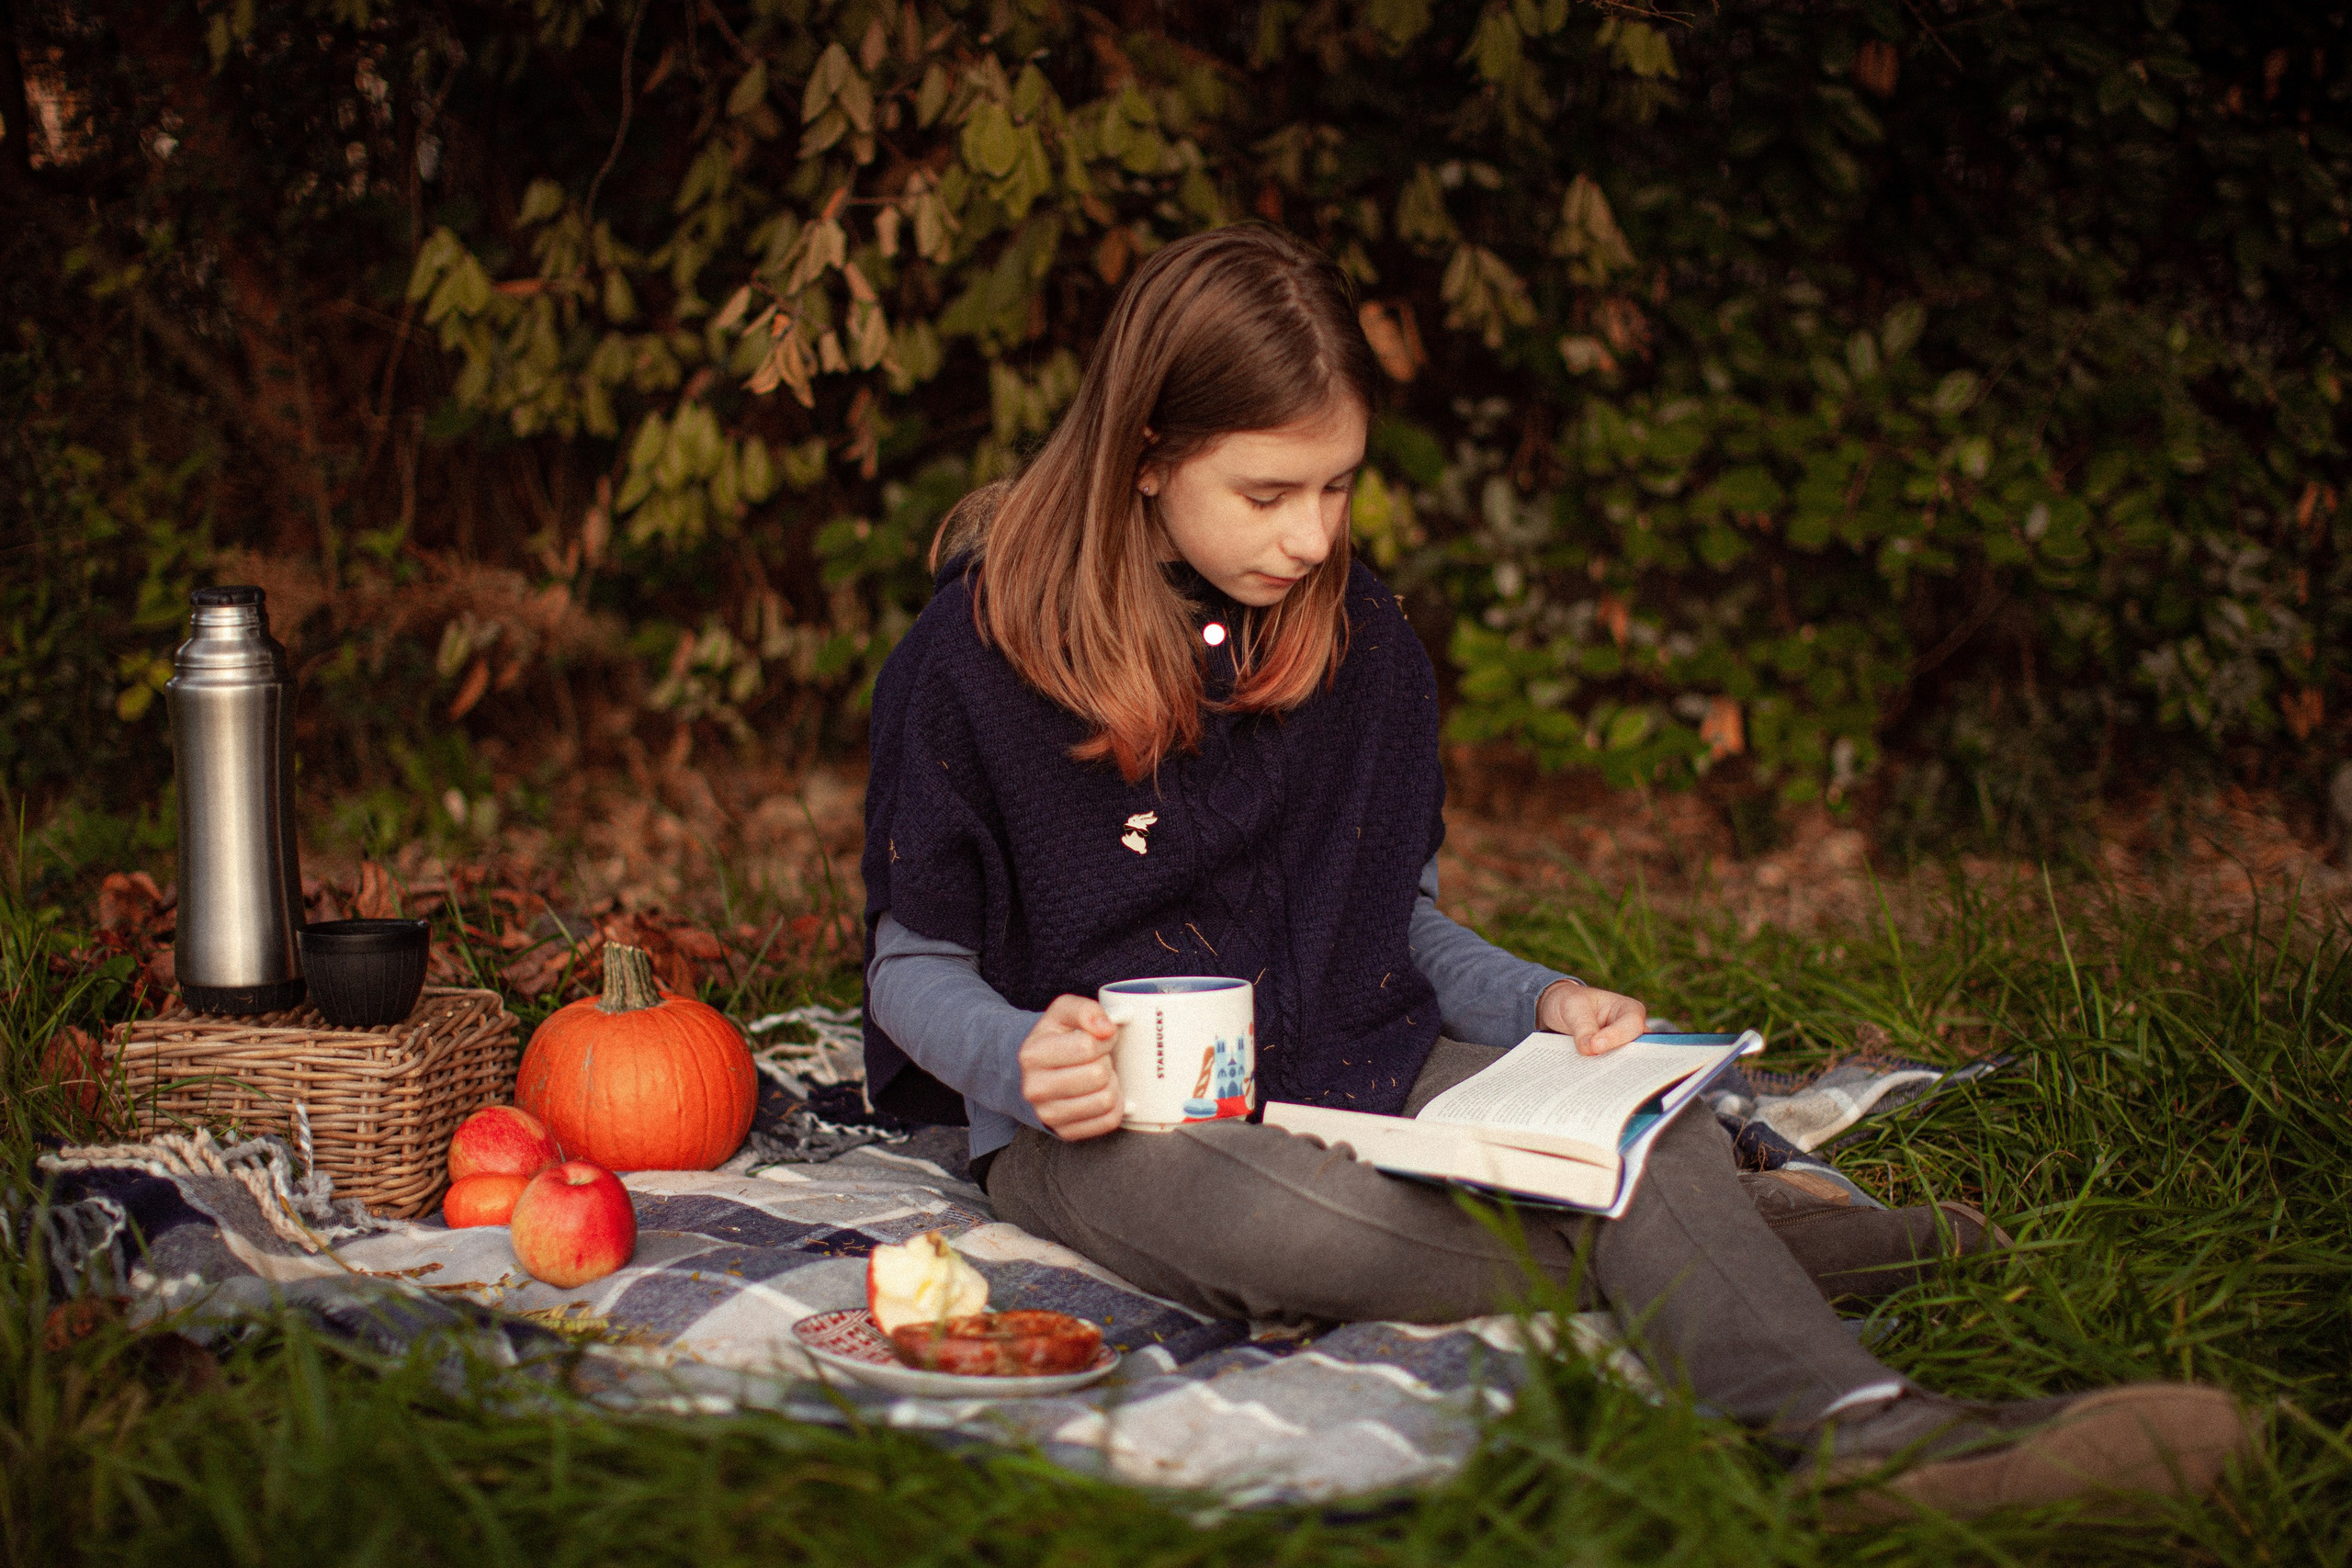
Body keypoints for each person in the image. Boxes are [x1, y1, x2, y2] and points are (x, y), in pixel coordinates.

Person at [858, 224, 2245, 1520]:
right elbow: (913, 965)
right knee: (1310, 1226)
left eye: (1339, 486)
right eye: (1269, 493)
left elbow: (1393, 922)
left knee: (1632, 1121)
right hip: (1112, 1131)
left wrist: (1539, 1005)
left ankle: (1869, 1437)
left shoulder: (1355, 638)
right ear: (1148, 456)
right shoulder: (978, 662)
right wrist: (1017, 1054)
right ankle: (1783, 1252)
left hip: (1356, 1052)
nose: (1314, 536)